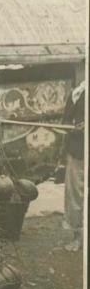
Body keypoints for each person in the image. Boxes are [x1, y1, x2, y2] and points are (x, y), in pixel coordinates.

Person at [59, 80, 85, 252]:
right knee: (75, 196)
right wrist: (75, 127)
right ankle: (78, 238)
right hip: (78, 151)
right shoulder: (78, 92)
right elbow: (66, 121)